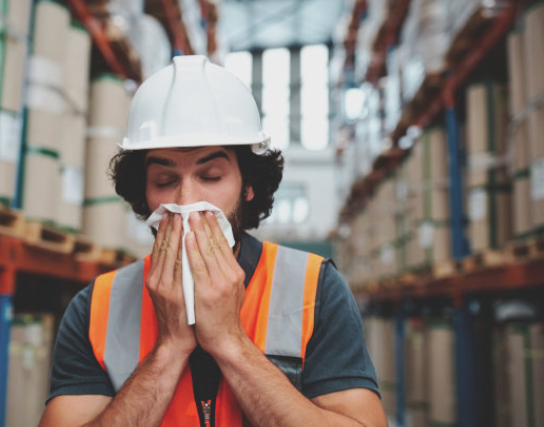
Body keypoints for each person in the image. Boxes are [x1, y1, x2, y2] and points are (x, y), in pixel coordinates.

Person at [38, 55, 386, 427]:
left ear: (249, 186)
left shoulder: (314, 290)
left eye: (212, 176)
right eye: (165, 181)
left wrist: (230, 342)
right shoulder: (97, 307)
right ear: (144, 193)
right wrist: (170, 349)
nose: (186, 202)